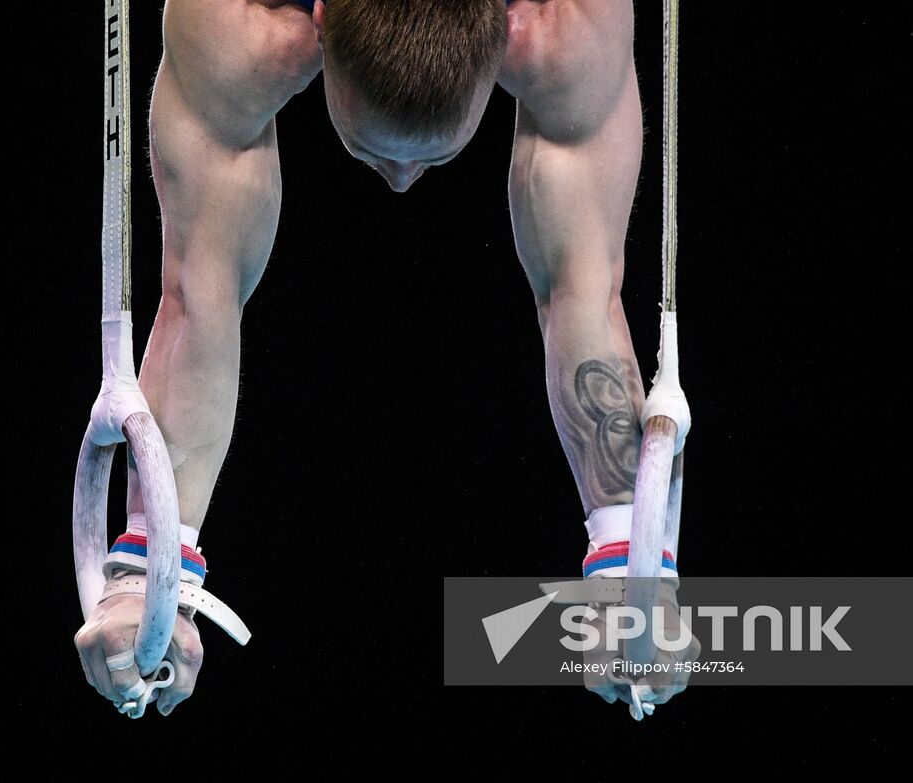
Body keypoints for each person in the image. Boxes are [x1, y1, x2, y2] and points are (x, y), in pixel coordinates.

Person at [74, 0, 699, 718]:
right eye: (374, 149)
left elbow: (582, 286)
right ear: (314, 26)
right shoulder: (233, 27)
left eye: (432, 155)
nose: (401, 178)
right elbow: (196, 292)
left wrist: (633, 561)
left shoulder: (573, 29)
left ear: (513, 34)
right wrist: (147, 570)